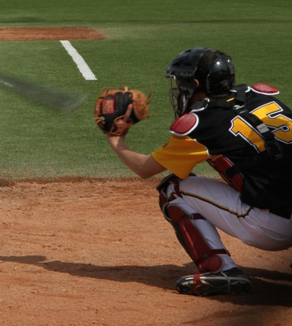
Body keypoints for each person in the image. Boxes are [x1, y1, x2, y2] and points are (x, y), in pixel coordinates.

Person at [103, 47, 292, 296]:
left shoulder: (200, 126)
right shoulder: (262, 97)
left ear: (194, 84)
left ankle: (220, 269)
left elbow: (144, 168)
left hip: (274, 228)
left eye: (181, 84)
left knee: (174, 190)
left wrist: (116, 141)